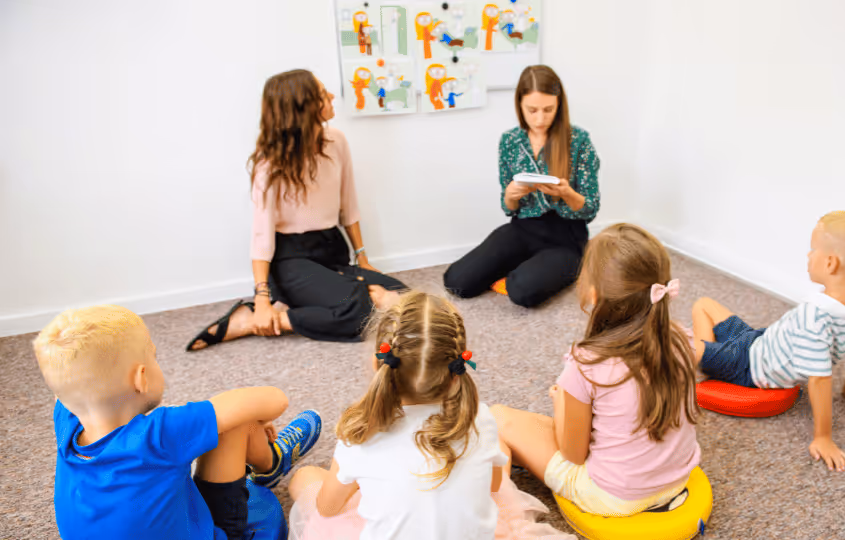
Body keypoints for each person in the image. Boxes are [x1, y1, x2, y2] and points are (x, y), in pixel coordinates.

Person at [285, 292, 575, 540]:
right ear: (456, 371)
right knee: (493, 460)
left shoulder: (359, 434)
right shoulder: (479, 420)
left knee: (306, 477)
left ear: (379, 365)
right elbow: (494, 487)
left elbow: (328, 508)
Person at [35, 305, 322, 539]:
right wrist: (255, 417)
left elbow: (73, 387)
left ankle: (263, 456)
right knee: (234, 419)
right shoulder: (160, 434)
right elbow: (275, 399)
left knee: (216, 422)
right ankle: (270, 462)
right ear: (142, 378)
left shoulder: (67, 420)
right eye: (154, 356)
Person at [492, 223, 702, 517]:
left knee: (499, 417)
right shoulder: (683, 338)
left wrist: (561, 401)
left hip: (614, 497)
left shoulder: (587, 363)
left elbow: (573, 454)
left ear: (592, 293)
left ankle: (501, 519)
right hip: (678, 479)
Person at [187, 69, 405, 351]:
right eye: (322, 94)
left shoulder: (336, 141)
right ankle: (260, 319)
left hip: (332, 250)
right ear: (303, 108)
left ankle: (289, 308)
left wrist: (362, 259)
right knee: (361, 311)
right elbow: (261, 235)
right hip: (291, 260)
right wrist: (262, 297)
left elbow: (348, 204)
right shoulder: (270, 165)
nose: (330, 97)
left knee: (404, 297)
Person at [692, 211, 845, 472]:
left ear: (830, 263)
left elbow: (820, 379)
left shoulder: (815, 316)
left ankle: (707, 361)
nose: (808, 255)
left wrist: (823, 437)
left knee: (678, 344)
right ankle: (710, 357)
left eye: (813, 249)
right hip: (759, 340)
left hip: (748, 367)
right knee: (703, 304)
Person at [443, 65, 600, 308]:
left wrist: (567, 193)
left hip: (566, 237)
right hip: (523, 228)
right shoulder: (510, 141)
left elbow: (590, 208)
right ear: (520, 106)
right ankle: (531, 264)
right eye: (532, 110)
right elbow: (509, 208)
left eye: (549, 110)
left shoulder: (579, 141)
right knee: (457, 282)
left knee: (522, 292)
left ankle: (567, 267)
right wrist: (509, 195)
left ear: (559, 106)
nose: (540, 118)